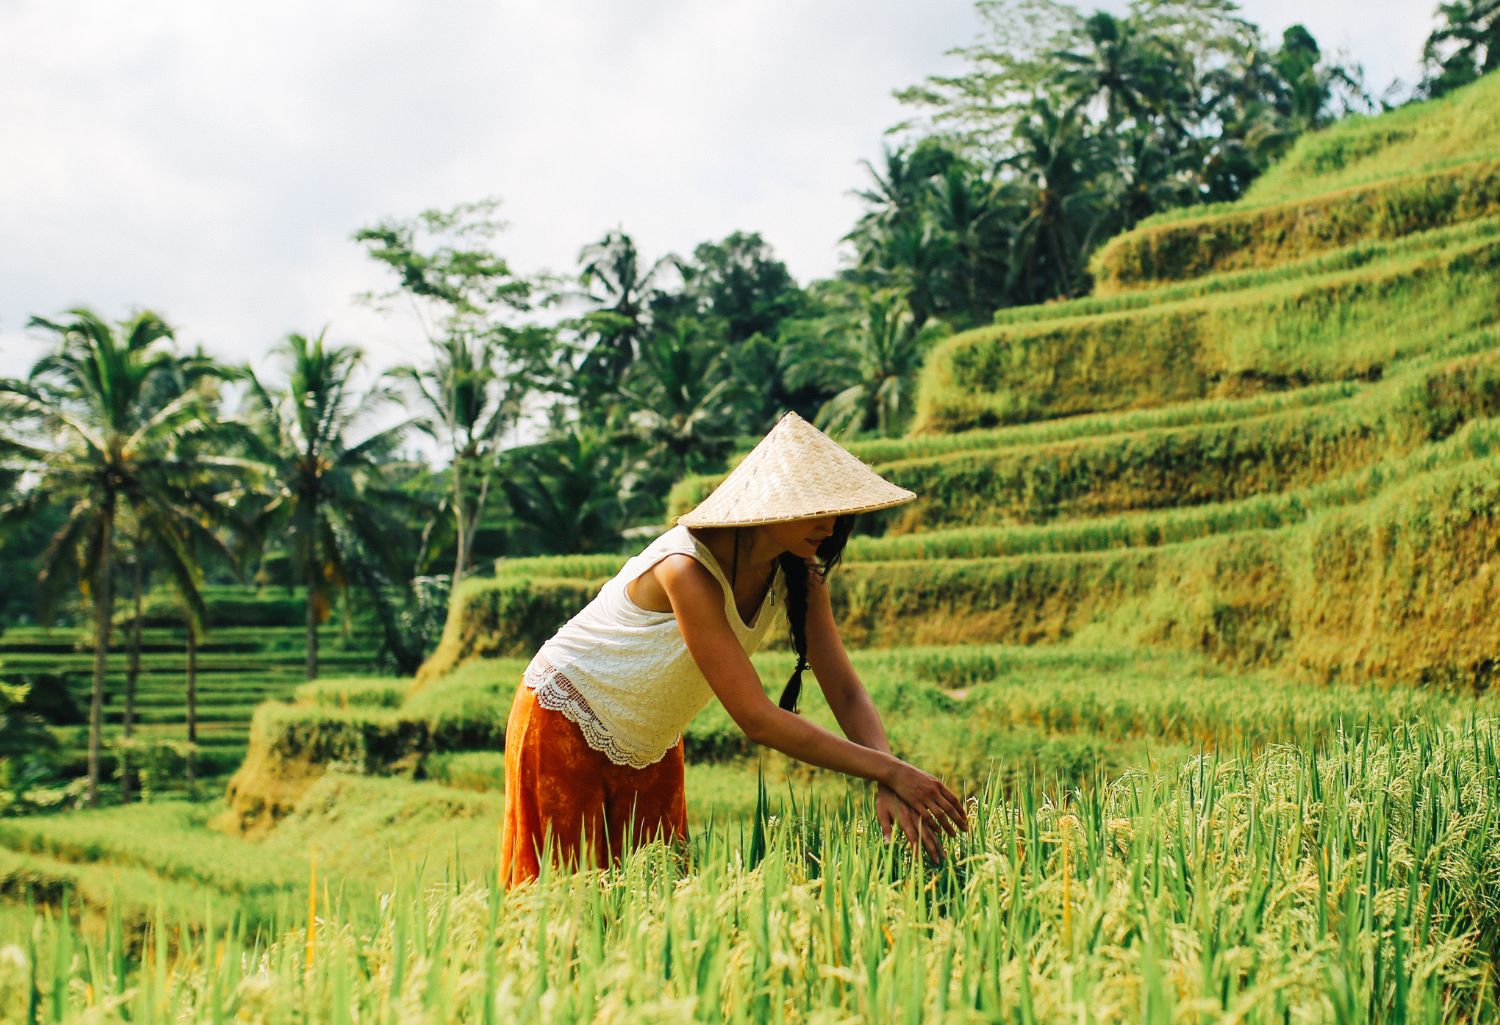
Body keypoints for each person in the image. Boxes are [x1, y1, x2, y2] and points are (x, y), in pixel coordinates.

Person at [498, 411, 969, 887]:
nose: (829, 525)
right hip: (566, 718)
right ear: (772, 502)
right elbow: (756, 718)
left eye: (837, 510)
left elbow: (844, 690)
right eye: (816, 507)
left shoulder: (799, 573)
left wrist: (887, 778)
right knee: (561, 907)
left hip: (652, 741)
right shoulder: (685, 568)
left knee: (653, 900)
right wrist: (894, 771)